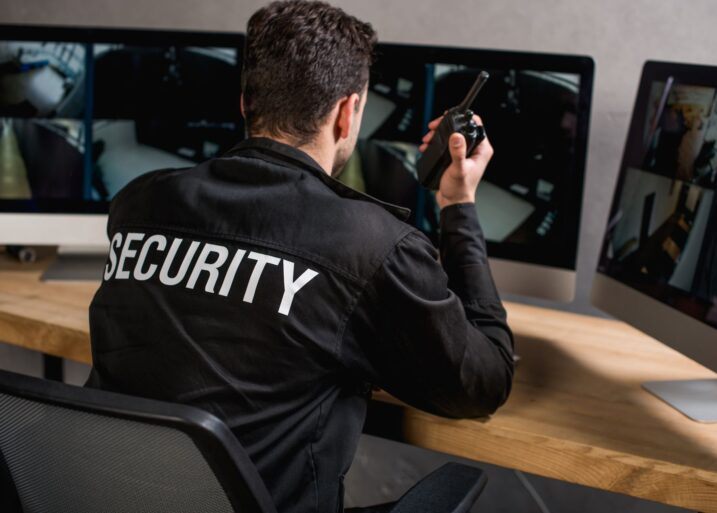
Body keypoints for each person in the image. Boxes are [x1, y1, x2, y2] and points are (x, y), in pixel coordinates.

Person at [87, 1, 516, 512]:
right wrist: (458, 205)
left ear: (245, 103)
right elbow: (485, 382)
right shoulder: (370, 244)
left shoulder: (137, 202)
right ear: (346, 112)